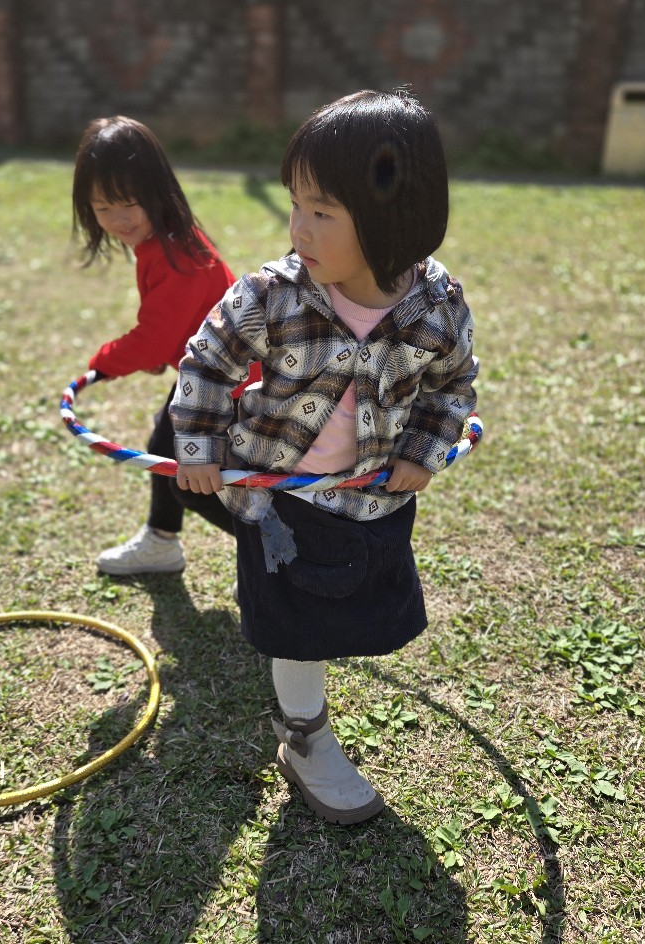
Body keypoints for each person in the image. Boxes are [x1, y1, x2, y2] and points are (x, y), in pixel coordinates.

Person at [170, 90, 479, 825]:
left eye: (323, 211)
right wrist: (200, 446)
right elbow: (206, 363)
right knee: (297, 626)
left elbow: (452, 387)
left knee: (357, 607)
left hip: (370, 497)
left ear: (392, 217)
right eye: (295, 205)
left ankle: (304, 704)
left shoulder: (437, 307)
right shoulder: (272, 295)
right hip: (279, 499)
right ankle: (303, 735)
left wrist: (423, 450)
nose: (299, 228)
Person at [73, 115, 238, 574]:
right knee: (164, 450)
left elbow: (151, 339)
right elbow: (176, 326)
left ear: (157, 191)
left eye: (129, 203)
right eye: (103, 207)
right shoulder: (164, 243)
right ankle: (162, 540)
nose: (118, 219)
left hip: (232, 382)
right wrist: (165, 351)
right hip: (208, 373)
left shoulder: (177, 255)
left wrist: (104, 362)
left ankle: (274, 549)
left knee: (185, 476)